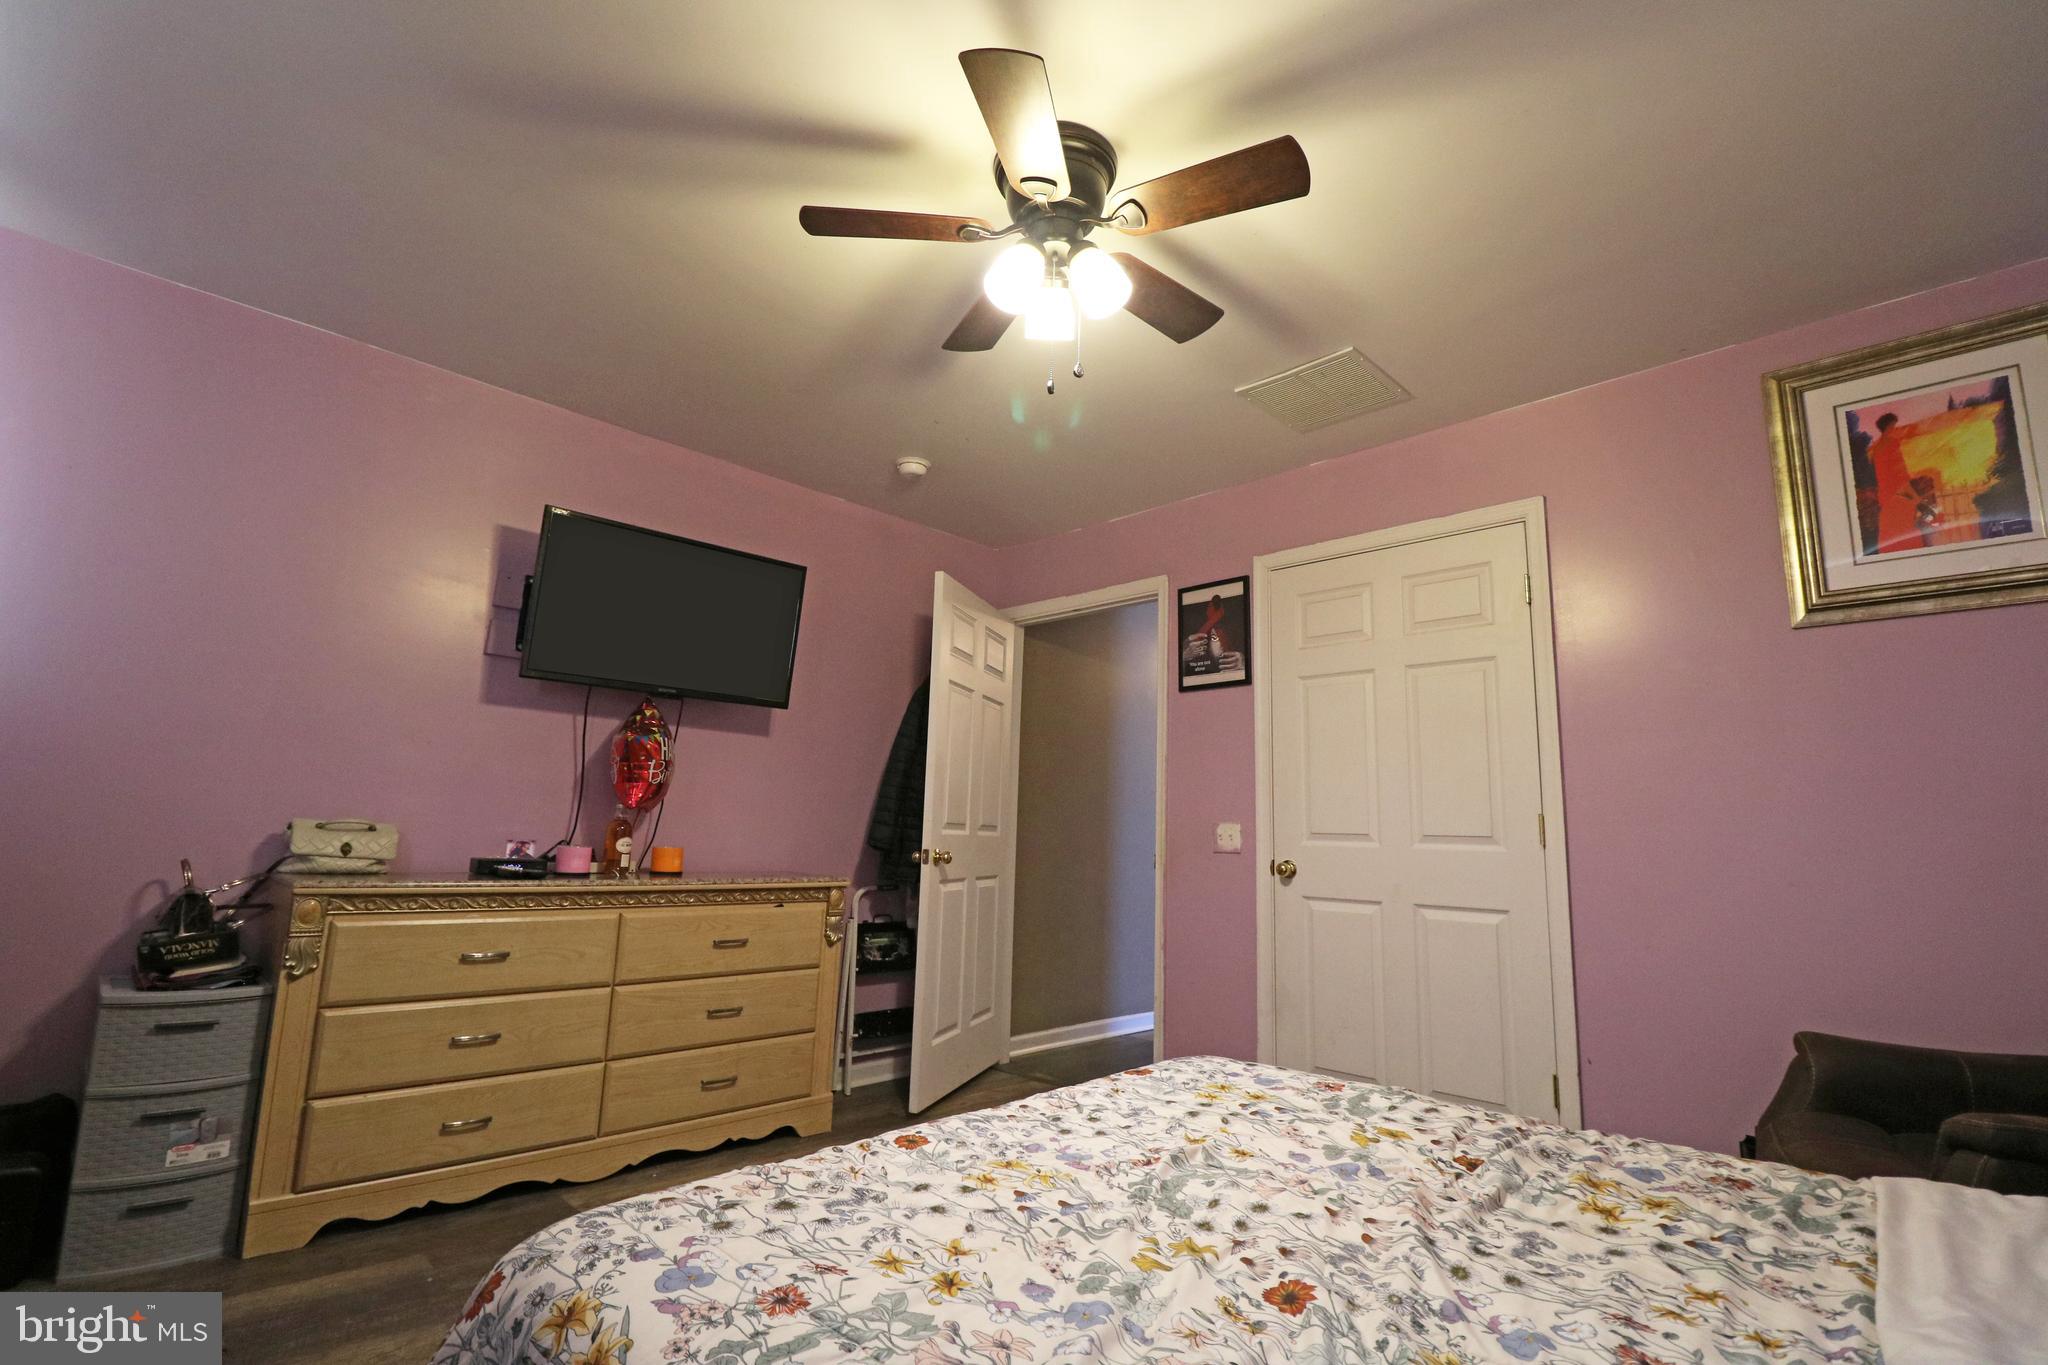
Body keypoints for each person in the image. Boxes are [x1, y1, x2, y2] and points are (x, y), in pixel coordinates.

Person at [1866, 413, 1926, 553]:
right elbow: (1900, 477)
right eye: (1894, 426)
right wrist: (1917, 500)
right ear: (1889, 427)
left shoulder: (1876, 449)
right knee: (1908, 538)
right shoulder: (1892, 444)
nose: (1896, 430)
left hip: (1885, 499)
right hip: (1899, 500)